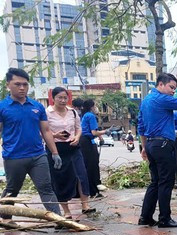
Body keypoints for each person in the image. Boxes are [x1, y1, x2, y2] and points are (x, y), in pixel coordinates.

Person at [0, 68, 62, 221]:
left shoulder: (37, 106)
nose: (22, 88)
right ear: (8, 85)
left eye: (25, 84)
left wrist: (55, 153)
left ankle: (58, 220)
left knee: (46, 188)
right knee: (12, 189)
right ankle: (6, 219)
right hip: (13, 157)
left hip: (38, 156)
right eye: (17, 84)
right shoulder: (2, 107)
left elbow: (46, 131)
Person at [137, 73, 177, 228]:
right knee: (165, 182)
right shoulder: (161, 99)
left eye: (175, 88)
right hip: (163, 145)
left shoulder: (146, 101)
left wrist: (144, 147)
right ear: (160, 84)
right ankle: (164, 219)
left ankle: (145, 217)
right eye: (171, 87)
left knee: (155, 182)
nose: (173, 91)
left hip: (152, 145)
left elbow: (140, 126)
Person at [46, 87, 95, 219]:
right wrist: (55, 135)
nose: (62, 100)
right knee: (61, 178)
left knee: (81, 174)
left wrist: (77, 137)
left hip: (73, 146)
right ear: (53, 98)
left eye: (65, 98)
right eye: (59, 98)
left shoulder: (73, 112)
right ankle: (66, 211)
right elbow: (42, 132)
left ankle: (85, 205)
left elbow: (78, 129)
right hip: (56, 148)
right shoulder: (47, 113)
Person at [80, 99, 107, 197]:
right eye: (95, 106)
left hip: (84, 142)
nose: (96, 108)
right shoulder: (91, 116)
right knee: (92, 167)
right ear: (92, 106)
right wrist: (105, 131)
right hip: (87, 142)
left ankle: (92, 190)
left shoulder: (84, 115)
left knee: (88, 166)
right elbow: (94, 132)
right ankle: (93, 191)